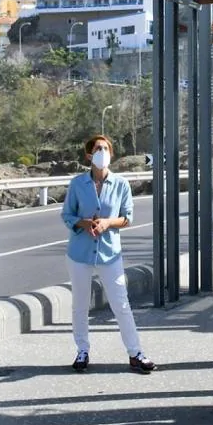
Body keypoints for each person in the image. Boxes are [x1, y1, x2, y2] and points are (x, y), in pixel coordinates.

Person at [61, 135, 157, 374]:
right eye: (97, 148)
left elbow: (127, 217)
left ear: (111, 154)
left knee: (121, 303)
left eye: (105, 148)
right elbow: (67, 215)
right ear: (88, 155)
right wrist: (83, 223)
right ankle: (82, 351)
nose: (102, 152)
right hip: (79, 253)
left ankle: (135, 353)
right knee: (80, 304)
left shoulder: (121, 184)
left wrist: (107, 223)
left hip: (110, 253)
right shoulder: (77, 184)